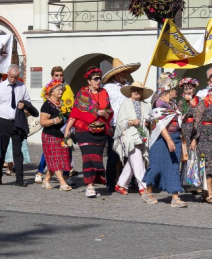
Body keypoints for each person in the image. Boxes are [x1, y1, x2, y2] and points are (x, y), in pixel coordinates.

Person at [65, 66, 114, 197]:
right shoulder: (83, 93)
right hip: (84, 130)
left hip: (100, 131)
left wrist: (105, 114)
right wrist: (68, 129)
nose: (98, 81)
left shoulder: (104, 93)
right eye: (95, 79)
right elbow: (75, 112)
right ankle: (90, 186)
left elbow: (110, 111)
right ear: (89, 81)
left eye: (100, 79)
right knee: (88, 158)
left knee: (97, 159)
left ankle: (93, 182)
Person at [142, 73, 187, 207]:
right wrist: (168, 140)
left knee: (173, 167)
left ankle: (175, 197)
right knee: (156, 166)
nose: (176, 92)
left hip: (175, 137)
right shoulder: (159, 102)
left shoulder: (172, 103)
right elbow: (160, 123)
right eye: (175, 89)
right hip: (161, 138)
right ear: (169, 89)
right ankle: (148, 191)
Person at [102, 58, 141, 191]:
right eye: (123, 73)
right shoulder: (107, 88)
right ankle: (110, 182)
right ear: (116, 74)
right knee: (113, 155)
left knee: (130, 153)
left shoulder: (129, 86)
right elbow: (105, 105)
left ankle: (128, 181)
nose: (125, 75)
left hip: (129, 124)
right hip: (114, 125)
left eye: (126, 73)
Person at [0, 64, 32, 187]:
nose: (13, 79)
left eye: (15, 77)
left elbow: (28, 100)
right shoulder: (0, 87)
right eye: (11, 76)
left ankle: (19, 180)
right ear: (7, 74)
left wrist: (24, 105)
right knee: (1, 150)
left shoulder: (22, 87)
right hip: (3, 121)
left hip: (17, 122)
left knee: (18, 152)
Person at [36, 66, 76, 183]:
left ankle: (65, 176)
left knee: (66, 150)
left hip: (65, 123)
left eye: (61, 75)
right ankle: (40, 171)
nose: (59, 77)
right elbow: (46, 102)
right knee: (50, 152)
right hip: (52, 124)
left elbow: (71, 102)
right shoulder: (48, 88)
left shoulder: (67, 87)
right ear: (52, 76)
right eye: (56, 75)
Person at [113, 81, 153, 196]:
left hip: (142, 136)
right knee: (137, 160)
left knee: (132, 162)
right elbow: (120, 122)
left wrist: (147, 122)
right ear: (130, 91)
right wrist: (131, 122)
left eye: (138, 90)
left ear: (142, 92)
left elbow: (149, 119)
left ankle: (121, 184)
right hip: (129, 136)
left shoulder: (146, 105)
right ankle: (143, 186)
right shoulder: (125, 103)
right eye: (134, 89)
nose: (136, 92)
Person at [39, 79, 72, 191]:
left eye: (61, 90)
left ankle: (46, 180)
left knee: (59, 159)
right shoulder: (47, 105)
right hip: (50, 136)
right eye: (58, 89)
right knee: (55, 159)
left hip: (61, 135)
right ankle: (62, 183)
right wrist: (53, 121)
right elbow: (42, 122)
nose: (61, 92)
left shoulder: (61, 103)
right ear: (51, 91)